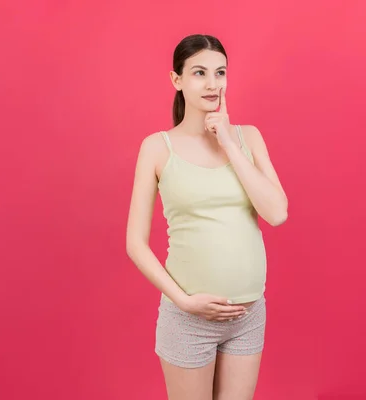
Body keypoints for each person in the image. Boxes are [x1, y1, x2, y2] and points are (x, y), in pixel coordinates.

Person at [126, 34, 288, 400]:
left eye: (220, 73)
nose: (213, 84)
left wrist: (228, 140)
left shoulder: (248, 138)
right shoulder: (156, 147)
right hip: (188, 318)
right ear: (177, 80)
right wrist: (183, 301)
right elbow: (135, 243)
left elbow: (276, 213)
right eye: (199, 73)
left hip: (247, 315)